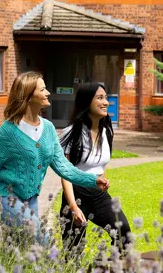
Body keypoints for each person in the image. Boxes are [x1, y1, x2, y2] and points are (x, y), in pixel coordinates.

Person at [0, 72, 108, 243]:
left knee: (24, 253)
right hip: (2, 198)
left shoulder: (48, 129)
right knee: (43, 242)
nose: (48, 93)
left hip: (30, 200)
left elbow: (64, 166)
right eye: (43, 89)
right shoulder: (6, 133)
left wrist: (92, 180)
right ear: (28, 95)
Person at [59, 82, 131, 252]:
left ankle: (111, 268)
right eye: (99, 98)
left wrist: (102, 179)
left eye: (105, 98)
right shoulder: (72, 132)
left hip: (98, 194)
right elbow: (65, 172)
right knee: (73, 250)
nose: (105, 102)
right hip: (75, 193)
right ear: (86, 102)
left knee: (124, 233)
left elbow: (100, 164)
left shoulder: (107, 132)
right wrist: (73, 207)